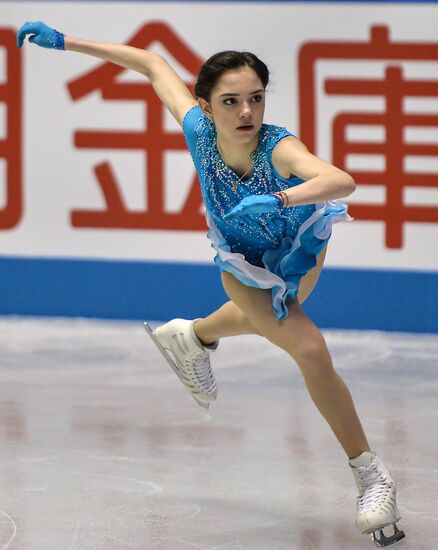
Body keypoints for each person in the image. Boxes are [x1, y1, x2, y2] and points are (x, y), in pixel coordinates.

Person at [17, 21, 405, 547]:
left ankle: (192, 336)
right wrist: (66, 43)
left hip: (295, 245)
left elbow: (343, 180)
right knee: (309, 348)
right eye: (230, 101)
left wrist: (283, 198)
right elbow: (152, 63)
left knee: (276, 318)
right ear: (204, 105)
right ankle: (371, 476)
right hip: (240, 261)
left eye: (256, 99)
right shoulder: (197, 130)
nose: (246, 113)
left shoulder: (279, 148)